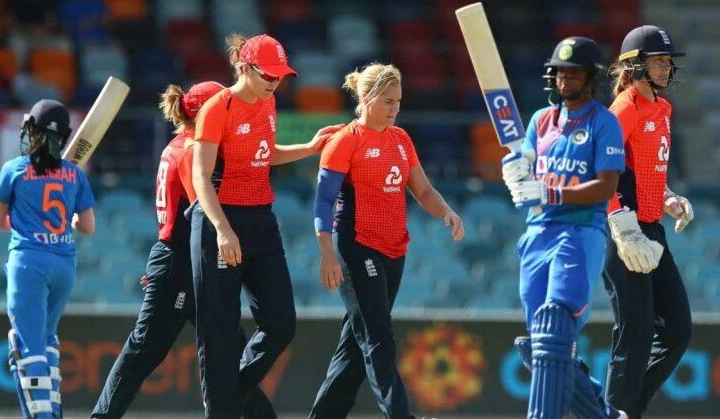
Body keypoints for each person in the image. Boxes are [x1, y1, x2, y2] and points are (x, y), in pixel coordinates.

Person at [90, 82, 275, 419]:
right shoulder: (192, 150)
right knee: (145, 350)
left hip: (188, 258)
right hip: (181, 262)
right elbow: (202, 210)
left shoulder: (181, 144)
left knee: (230, 350)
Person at [190, 33, 338, 419]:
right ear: (245, 67)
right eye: (268, 74)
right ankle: (223, 407)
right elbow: (201, 176)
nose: (275, 82)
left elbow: (263, 153)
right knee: (219, 330)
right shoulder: (218, 108)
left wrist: (308, 148)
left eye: (279, 75)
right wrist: (222, 229)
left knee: (281, 323)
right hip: (222, 220)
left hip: (261, 219)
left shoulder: (268, 102)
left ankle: (229, 397)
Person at [309, 63, 464, 419]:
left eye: (398, 101)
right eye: (388, 101)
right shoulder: (345, 141)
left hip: (394, 250)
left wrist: (446, 212)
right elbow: (324, 201)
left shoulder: (401, 139)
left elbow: (423, 190)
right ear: (366, 98)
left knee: (355, 344)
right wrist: (327, 252)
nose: (395, 109)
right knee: (378, 336)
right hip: (357, 246)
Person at [500, 37, 627, 419]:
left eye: (574, 73)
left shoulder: (604, 122)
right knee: (542, 342)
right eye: (560, 72)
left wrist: (552, 193)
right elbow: (526, 168)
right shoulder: (540, 121)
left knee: (556, 323)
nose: (565, 79)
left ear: (591, 78)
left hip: (580, 232)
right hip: (537, 234)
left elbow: (606, 187)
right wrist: (515, 172)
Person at [602, 25, 693, 419]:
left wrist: (668, 197)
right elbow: (599, 167)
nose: (665, 68)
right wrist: (619, 223)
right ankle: (616, 412)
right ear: (635, 65)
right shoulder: (624, 108)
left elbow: (645, 168)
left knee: (676, 330)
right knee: (635, 333)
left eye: (667, 61)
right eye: (657, 61)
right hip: (623, 230)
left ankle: (624, 411)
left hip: (652, 230)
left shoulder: (662, 108)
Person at [0, 99, 96, 419]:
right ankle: (52, 409)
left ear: (31, 131)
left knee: (27, 346)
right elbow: (87, 227)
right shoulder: (74, 174)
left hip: (28, 264)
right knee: (47, 341)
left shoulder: (14, 169)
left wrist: (27, 222)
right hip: (64, 265)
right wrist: (67, 222)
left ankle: (43, 415)